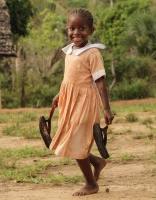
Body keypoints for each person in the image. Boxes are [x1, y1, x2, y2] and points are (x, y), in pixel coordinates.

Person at [49, 8, 114, 196]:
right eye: (72, 28)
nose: (76, 32)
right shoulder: (69, 51)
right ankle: (96, 162)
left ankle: (91, 184)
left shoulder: (92, 53)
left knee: (76, 142)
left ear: (91, 30)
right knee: (70, 139)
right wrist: (59, 95)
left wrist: (107, 109)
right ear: (67, 29)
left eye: (82, 28)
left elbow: (100, 83)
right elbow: (70, 79)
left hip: (85, 103)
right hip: (70, 103)